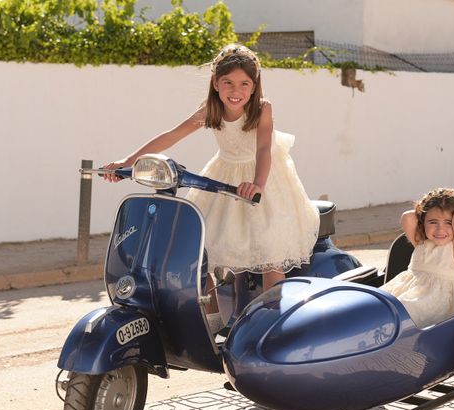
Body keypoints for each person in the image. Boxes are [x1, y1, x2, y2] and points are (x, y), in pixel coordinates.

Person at [101, 44, 319, 292]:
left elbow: (263, 149)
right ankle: (213, 317)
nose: (235, 91)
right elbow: (172, 136)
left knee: (270, 253)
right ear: (216, 83)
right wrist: (127, 162)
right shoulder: (211, 109)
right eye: (228, 82)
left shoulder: (261, 109)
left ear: (255, 86)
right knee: (203, 250)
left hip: (263, 176)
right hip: (224, 174)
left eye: (244, 84)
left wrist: (258, 183)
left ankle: (272, 319)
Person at [381, 187, 454, 328]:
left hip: (439, 300)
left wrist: (453, 210)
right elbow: (407, 218)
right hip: (411, 289)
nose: (440, 230)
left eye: (448, 223)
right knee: (380, 305)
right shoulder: (421, 243)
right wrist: (424, 212)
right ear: (423, 222)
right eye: (433, 222)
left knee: (402, 310)